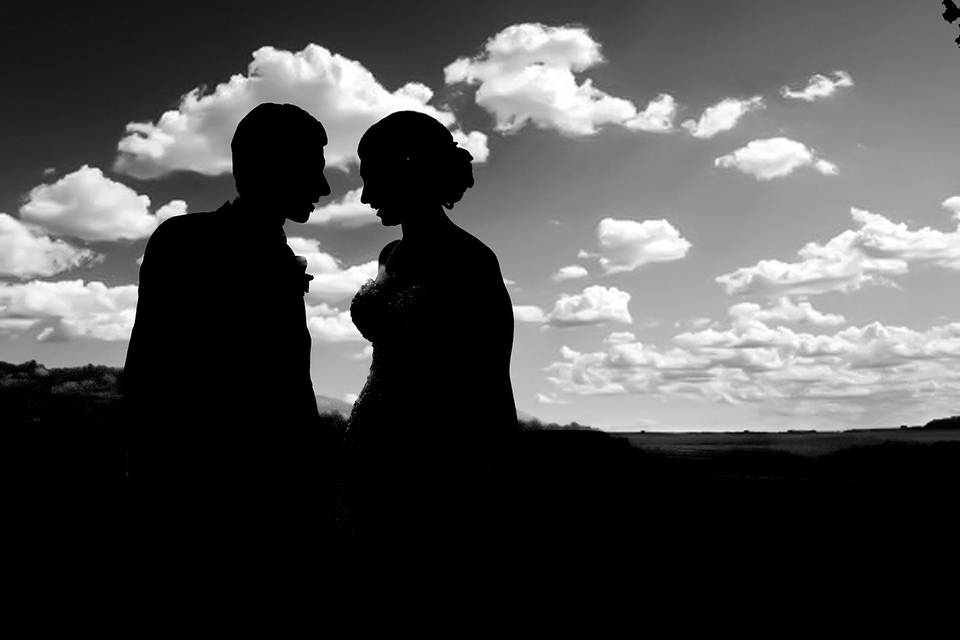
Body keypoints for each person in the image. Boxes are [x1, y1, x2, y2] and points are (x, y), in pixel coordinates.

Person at [122, 103, 335, 551]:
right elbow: (148, 372)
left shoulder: (279, 252)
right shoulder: (184, 241)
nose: (324, 186)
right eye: (310, 169)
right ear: (268, 166)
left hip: (283, 493)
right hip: (198, 495)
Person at [342, 110, 519, 546]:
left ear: (409, 169)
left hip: (439, 457)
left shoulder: (471, 260)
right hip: (369, 441)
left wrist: (497, 482)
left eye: (373, 178)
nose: (365, 197)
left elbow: (493, 379)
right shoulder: (389, 256)